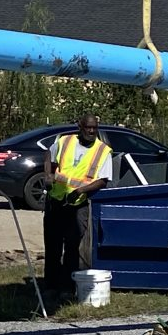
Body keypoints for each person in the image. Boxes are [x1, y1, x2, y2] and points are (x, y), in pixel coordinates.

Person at [42, 113, 113, 297]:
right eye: (88, 127)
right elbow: (48, 154)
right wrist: (48, 175)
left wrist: (81, 191)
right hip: (55, 201)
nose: (91, 131)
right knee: (53, 247)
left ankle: (67, 287)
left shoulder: (103, 151)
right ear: (80, 127)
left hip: (78, 205)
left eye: (94, 128)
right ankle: (50, 286)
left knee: (72, 248)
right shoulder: (65, 141)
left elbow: (103, 180)